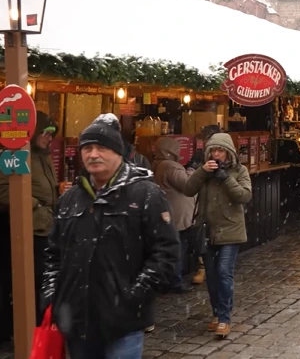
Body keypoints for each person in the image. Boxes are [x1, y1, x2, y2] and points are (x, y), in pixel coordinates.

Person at [42, 114, 178, 358]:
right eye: (87, 148)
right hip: (77, 322)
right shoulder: (70, 199)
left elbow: (166, 253)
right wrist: (53, 296)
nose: (93, 154)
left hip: (123, 324)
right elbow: (54, 254)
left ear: (118, 152)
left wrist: (134, 297)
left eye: (102, 148)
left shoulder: (145, 194)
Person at [183, 133, 252, 338]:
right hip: (207, 230)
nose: (216, 154)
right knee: (212, 276)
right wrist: (201, 172)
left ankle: (224, 318)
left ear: (228, 152)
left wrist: (226, 179)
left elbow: (244, 196)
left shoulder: (240, 171)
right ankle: (216, 313)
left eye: (220, 150)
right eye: (213, 150)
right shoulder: (205, 171)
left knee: (223, 272)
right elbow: (187, 190)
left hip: (230, 230)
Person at [0, 112, 58, 326]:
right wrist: (35, 205)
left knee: (45, 280)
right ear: (34, 132)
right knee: (33, 281)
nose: (49, 138)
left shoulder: (44, 156)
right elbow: (4, 190)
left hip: (47, 226)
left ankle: (41, 324)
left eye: (51, 134)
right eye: (46, 133)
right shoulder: (16, 154)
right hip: (30, 228)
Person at [153, 136, 196, 294]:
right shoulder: (170, 166)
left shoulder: (158, 164)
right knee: (178, 250)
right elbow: (188, 185)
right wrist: (192, 171)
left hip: (169, 214)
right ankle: (175, 282)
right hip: (178, 216)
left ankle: (168, 281)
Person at [185, 125, 223, 286]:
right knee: (202, 231)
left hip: (222, 199)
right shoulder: (200, 155)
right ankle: (203, 267)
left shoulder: (226, 153)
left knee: (221, 231)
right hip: (204, 198)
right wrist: (201, 172)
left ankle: (219, 264)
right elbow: (190, 174)